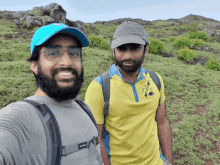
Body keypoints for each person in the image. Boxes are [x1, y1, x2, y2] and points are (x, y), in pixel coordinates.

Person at [0, 23, 103, 165]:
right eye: (53, 53)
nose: (67, 62)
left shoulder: (84, 107)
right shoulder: (19, 117)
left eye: (74, 53)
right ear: (34, 65)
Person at [85, 21, 173, 165]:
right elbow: (96, 139)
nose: (128, 56)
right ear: (113, 51)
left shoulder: (156, 80)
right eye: (121, 48)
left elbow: (162, 122)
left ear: (146, 50)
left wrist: (169, 162)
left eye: (134, 48)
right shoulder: (99, 87)